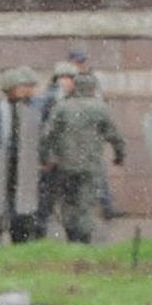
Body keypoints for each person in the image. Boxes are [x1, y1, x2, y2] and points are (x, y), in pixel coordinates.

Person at [39, 69, 125, 242]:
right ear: (92, 88)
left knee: (68, 202)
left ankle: (72, 236)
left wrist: (45, 157)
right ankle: (84, 238)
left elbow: (47, 135)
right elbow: (115, 136)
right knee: (86, 203)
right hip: (91, 165)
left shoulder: (62, 107)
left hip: (66, 164)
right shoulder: (100, 108)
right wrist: (119, 155)